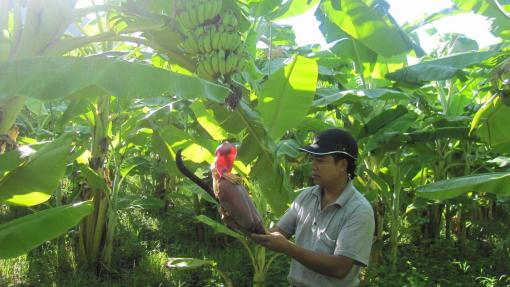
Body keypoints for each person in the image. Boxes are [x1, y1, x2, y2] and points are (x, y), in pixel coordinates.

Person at [250, 128, 375, 287]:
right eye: (313, 159)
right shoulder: (306, 197)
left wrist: (288, 248)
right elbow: (274, 235)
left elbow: (340, 267)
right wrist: (237, 220)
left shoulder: (359, 210)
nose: (313, 166)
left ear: (343, 165)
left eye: (321, 161)